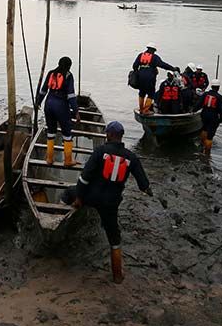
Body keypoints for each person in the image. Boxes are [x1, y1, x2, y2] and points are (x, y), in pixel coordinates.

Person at [61, 121, 153, 283]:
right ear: (121, 136)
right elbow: (143, 184)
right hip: (111, 203)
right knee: (114, 239)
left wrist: (79, 198)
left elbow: (84, 178)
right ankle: (117, 275)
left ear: (109, 135)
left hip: (91, 197)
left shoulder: (100, 151)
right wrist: (148, 191)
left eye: (106, 133)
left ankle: (60, 220)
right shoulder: (131, 157)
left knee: (68, 192)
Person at [36, 56, 80, 167]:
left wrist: (37, 102)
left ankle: (49, 159)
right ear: (69, 66)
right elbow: (70, 95)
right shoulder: (68, 75)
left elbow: (43, 90)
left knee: (51, 131)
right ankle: (68, 160)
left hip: (48, 104)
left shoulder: (51, 73)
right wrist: (76, 111)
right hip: (61, 106)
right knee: (67, 132)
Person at [132, 43, 178, 115]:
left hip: (140, 76)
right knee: (151, 93)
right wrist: (172, 68)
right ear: (153, 50)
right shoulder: (154, 57)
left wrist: (139, 72)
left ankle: (141, 109)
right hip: (150, 77)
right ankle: (146, 110)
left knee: (142, 92)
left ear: (147, 48)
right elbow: (162, 65)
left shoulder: (140, 55)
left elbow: (134, 66)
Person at [194, 79, 222, 156]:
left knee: (204, 129)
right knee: (210, 136)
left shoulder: (205, 94)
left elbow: (199, 104)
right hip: (213, 117)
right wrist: (220, 120)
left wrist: (193, 110)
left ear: (211, 86)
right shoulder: (219, 97)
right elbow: (221, 110)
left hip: (204, 114)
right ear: (218, 87)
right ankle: (207, 154)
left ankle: (202, 145)